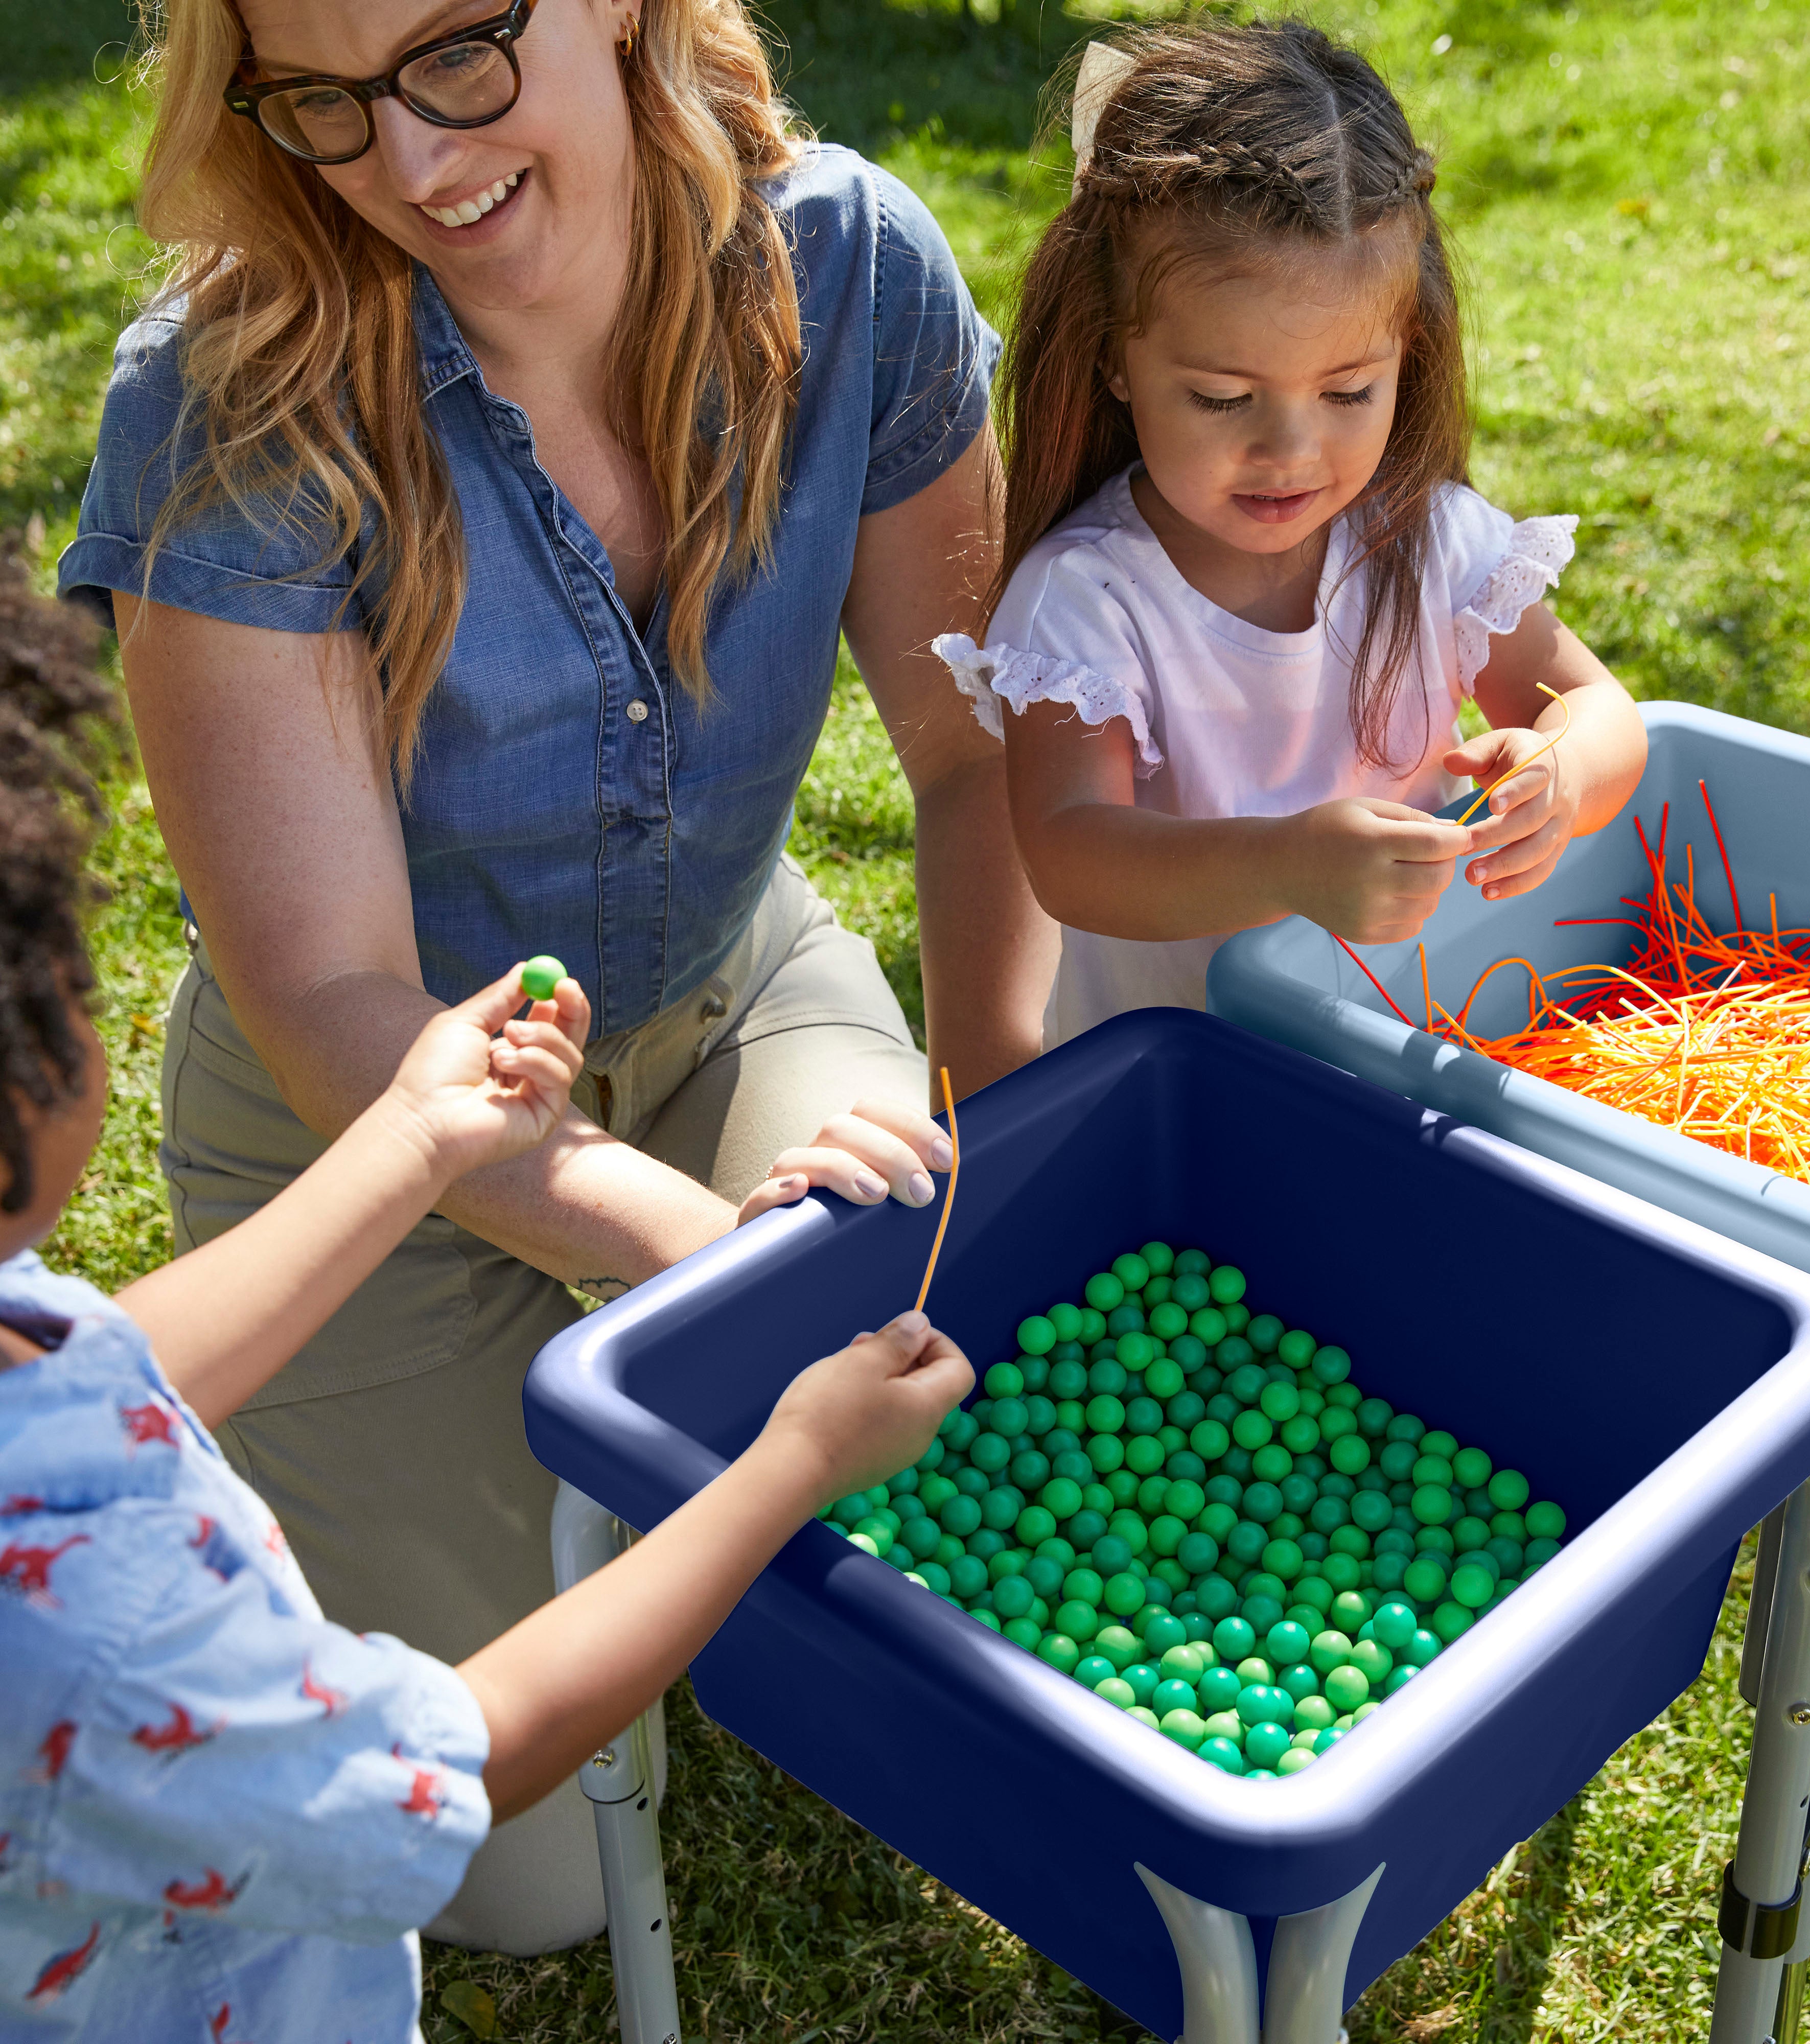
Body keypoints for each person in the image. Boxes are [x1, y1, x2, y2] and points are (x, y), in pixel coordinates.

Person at [57, 0, 1055, 1947]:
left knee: (944, 1450)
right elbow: (334, 1002)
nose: (413, 163)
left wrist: (999, 1126)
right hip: (365, 1131)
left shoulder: (852, 265)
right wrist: (708, 1251)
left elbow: (972, 756)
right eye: (323, 102)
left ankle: (662, 1485)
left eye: (458, 54)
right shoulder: (225, 396)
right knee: (524, 1883)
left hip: (723, 996)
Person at [0, 549, 976, 2039]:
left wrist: (409, 1136)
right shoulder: (104, 1631)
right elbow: (455, 1755)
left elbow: (107, 1367)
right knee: (535, 1875)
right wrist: (789, 1465)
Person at [936, 21, 1647, 1048]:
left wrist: (1559, 772)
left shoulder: (1427, 541)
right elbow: (1070, 854)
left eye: (1348, 391)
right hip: (1186, 1076)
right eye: (1223, 398)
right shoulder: (1088, 598)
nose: (1290, 450)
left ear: (1407, 353)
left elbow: (1599, 709)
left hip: (1408, 1049)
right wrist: (1283, 865)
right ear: (1115, 360)